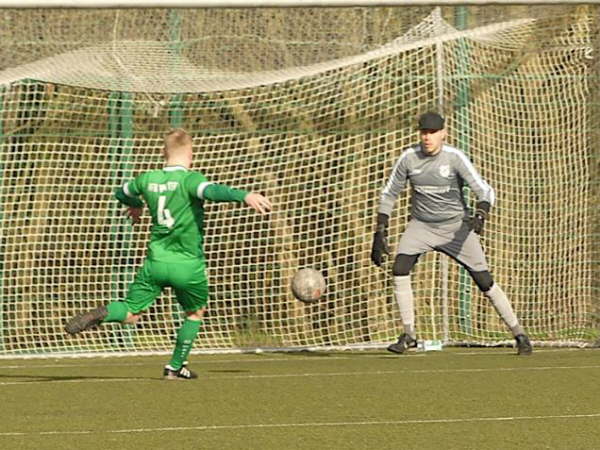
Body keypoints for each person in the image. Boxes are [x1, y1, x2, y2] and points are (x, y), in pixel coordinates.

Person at [65, 128, 272, 379]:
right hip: (187, 265)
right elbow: (213, 191)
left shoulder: (147, 179)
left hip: (156, 262)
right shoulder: (191, 180)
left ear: (164, 152)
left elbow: (122, 192)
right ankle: (175, 366)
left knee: (131, 313)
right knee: (195, 313)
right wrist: (245, 195)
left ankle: (104, 314)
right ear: (191, 153)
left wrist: (136, 206)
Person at [371, 112, 532, 355]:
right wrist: (380, 229)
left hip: (456, 228)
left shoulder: (455, 158)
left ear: (443, 134)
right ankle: (409, 334)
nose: (428, 138)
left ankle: (519, 334)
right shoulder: (408, 158)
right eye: (424, 132)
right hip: (421, 226)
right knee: (400, 268)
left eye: (433, 133)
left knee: (484, 281)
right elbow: (389, 194)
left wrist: (481, 214)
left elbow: (485, 191)